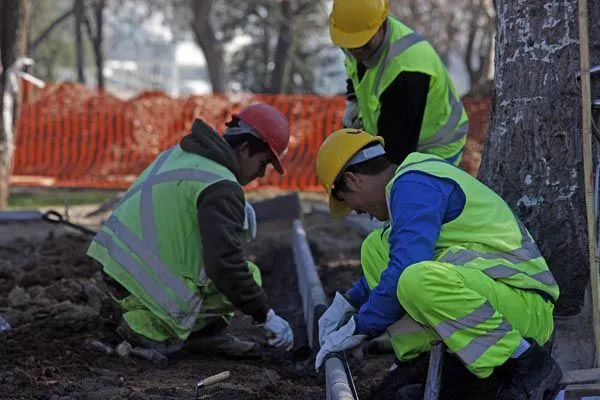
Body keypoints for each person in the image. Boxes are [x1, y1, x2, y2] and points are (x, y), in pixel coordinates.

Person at [313, 129, 562, 399]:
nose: (360, 212)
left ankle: (525, 362)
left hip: (525, 309)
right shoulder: (410, 184)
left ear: (352, 179)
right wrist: (348, 302)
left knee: (415, 280)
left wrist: (359, 327)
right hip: (493, 298)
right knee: (375, 247)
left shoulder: (414, 185)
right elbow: (395, 262)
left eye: (353, 206)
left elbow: (404, 270)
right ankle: (424, 365)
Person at [87, 103, 294, 360]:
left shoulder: (180, 155)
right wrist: (265, 315)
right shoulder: (221, 185)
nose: (261, 174)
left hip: (118, 271)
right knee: (244, 275)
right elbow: (225, 264)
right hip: (141, 282)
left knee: (235, 272)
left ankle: (202, 334)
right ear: (244, 149)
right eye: (263, 163)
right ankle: (145, 327)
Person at [329, 0, 469, 166]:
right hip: (395, 136)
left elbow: (396, 153)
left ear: (381, 25)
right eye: (349, 45)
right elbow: (353, 70)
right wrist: (353, 101)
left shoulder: (408, 70)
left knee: (399, 186)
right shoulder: (358, 36)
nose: (355, 51)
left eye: (362, 45)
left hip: (436, 148)